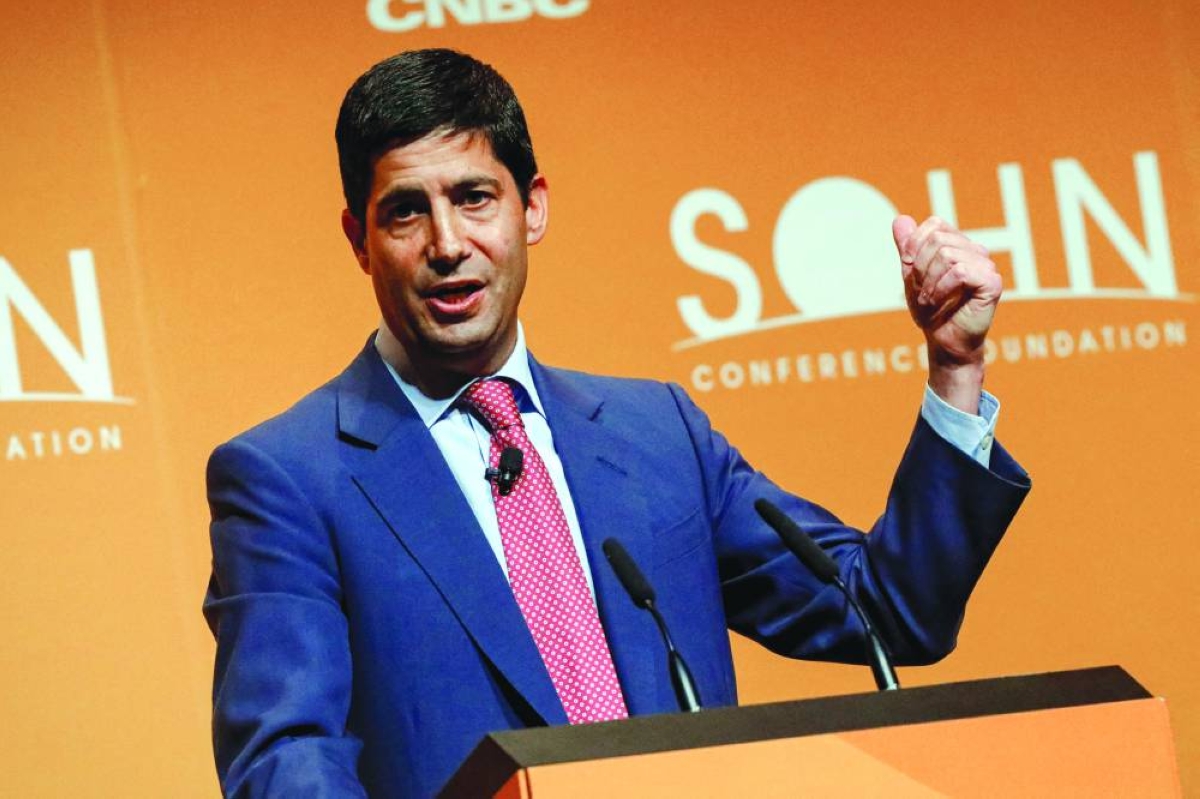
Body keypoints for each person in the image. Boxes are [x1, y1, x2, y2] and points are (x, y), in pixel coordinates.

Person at [203, 48, 1030, 798]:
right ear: (359, 240)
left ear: (532, 209)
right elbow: (286, 762)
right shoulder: (290, 479)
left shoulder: (657, 434)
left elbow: (886, 611)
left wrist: (954, 368)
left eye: (474, 197)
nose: (448, 243)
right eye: (406, 212)